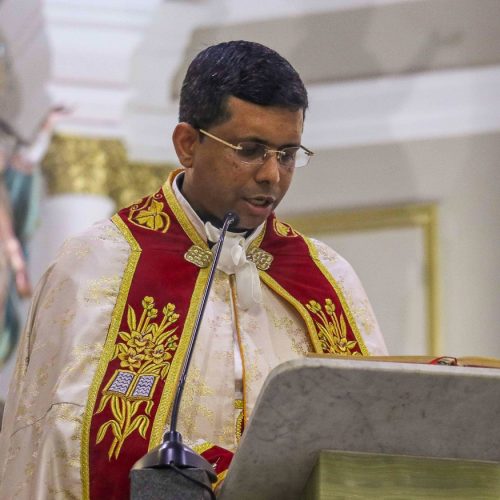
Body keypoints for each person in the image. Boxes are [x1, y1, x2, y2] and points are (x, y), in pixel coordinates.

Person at [0, 40, 387, 499]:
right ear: (187, 144)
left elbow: (371, 434)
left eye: (287, 154)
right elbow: (62, 441)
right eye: (250, 150)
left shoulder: (327, 277)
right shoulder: (99, 264)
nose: (272, 175)